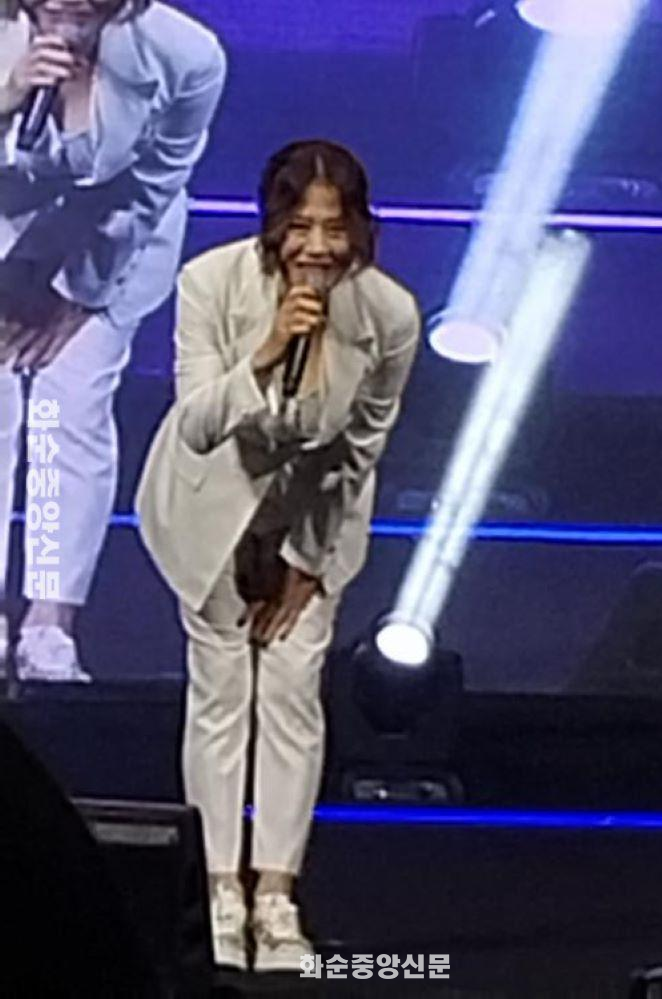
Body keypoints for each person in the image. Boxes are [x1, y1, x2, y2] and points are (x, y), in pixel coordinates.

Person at [135, 139, 420, 971]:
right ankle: (220, 889)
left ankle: (276, 895)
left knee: (293, 689)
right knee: (221, 688)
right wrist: (265, 351)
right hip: (207, 506)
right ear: (272, 225)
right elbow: (197, 423)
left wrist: (307, 559)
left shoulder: (389, 314)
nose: (319, 247)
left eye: (336, 227)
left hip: (313, 516)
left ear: (360, 227)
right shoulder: (210, 282)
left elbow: (359, 449)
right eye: (301, 226)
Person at [0, 0, 226, 681]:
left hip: (109, 248)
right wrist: (9, 96)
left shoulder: (187, 54)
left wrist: (74, 297)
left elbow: (152, 187)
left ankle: (49, 622)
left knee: (68, 409)